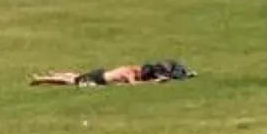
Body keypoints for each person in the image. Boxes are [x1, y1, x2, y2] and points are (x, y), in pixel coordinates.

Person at [29, 60, 191, 87]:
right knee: (72, 82)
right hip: (99, 78)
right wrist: (153, 83)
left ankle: (54, 73)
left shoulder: (130, 68)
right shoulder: (130, 73)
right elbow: (133, 85)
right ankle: (42, 79)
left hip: (102, 73)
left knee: (75, 76)